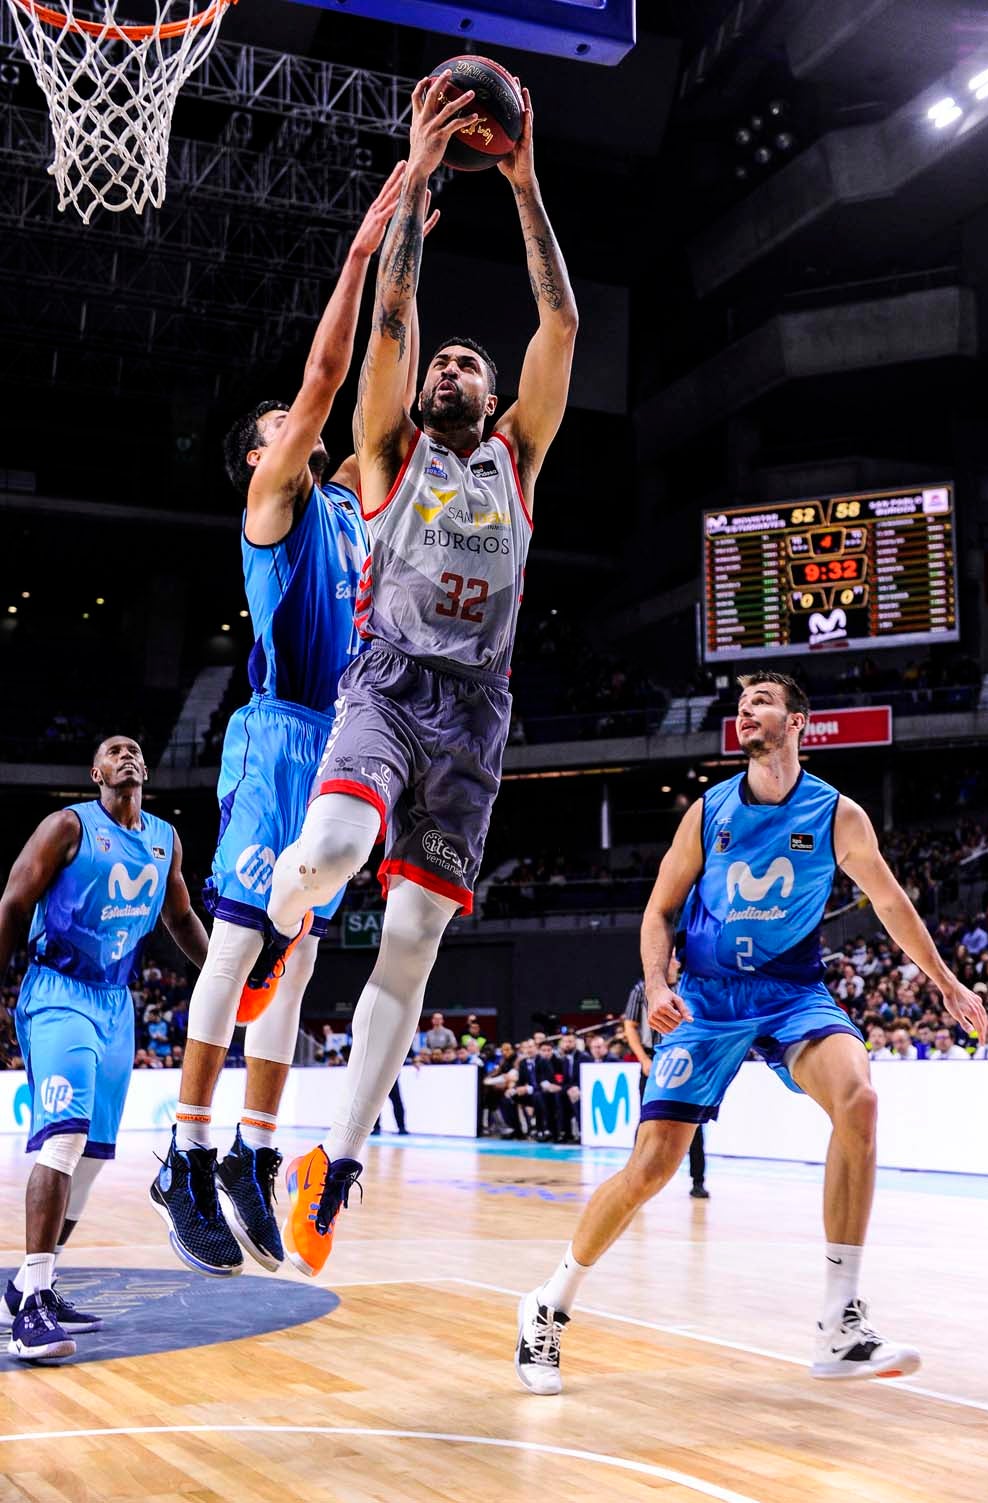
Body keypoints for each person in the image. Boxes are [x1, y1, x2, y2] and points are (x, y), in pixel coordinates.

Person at [251, 72, 577, 1277]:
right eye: (438, 361)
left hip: (478, 715)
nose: (446, 366)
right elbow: (392, 316)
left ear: (492, 399)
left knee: (413, 946)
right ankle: (281, 930)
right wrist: (420, 174)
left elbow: (561, 329)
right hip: (388, 686)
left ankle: (331, 1169)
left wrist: (526, 183)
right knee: (332, 858)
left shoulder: (517, 461)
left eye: (465, 364)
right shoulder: (385, 453)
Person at [514, 672, 987, 1394]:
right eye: (739, 707)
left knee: (858, 1099)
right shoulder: (708, 812)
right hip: (705, 996)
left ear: (799, 721)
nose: (746, 713)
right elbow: (657, 912)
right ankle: (547, 1304)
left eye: (761, 703)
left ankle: (839, 1321)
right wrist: (661, 983)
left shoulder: (838, 814)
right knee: (651, 1168)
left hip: (793, 991)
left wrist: (947, 983)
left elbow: (891, 904)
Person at [148, 167, 427, 1278]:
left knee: (300, 963)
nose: (301, 426)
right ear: (258, 459)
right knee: (239, 940)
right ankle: (186, 1148)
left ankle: (253, 1158)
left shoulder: (357, 508)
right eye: (281, 429)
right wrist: (358, 257)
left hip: (346, 740)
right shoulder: (276, 509)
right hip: (276, 735)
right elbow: (326, 375)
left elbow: (378, 395)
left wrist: (408, 249)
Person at [0, 737, 208, 1361]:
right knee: (62, 1140)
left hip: (117, 1006)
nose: (127, 755)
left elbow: (180, 917)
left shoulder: (164, 839)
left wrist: (229, 975)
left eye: (134, 749)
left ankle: (37, 1281)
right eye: (113, 750)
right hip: (58, 990)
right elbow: (12, 903)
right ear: (96, 772)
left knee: (91, 1156)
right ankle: (32, 1301)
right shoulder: (67, 826)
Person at [623, 965, 709, 1198]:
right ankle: (633, 1176)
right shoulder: (642, 989)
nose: (674, 959)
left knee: (694, 1122)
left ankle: (698, 1180)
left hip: (684, 1056)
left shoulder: (689, 986)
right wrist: (642, 1059)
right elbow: (629, 1026)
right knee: (647, 1121)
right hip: (653, 1059)